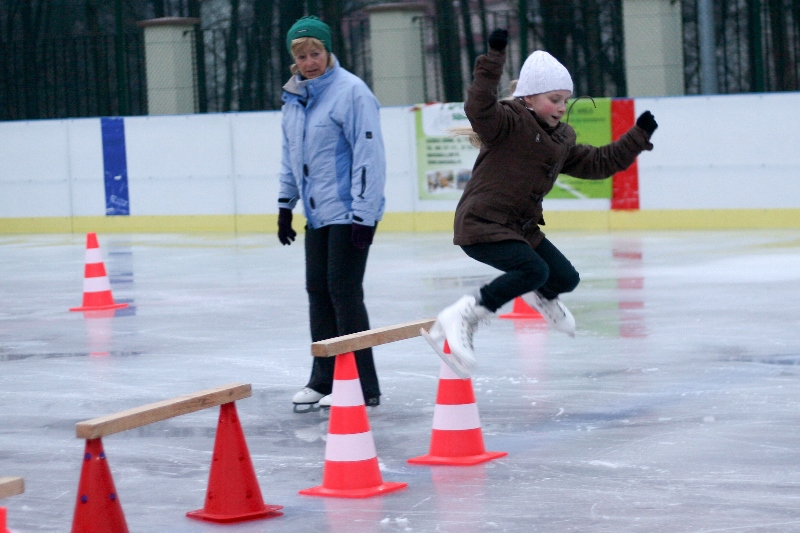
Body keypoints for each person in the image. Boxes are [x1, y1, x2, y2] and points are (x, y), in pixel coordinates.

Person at [423, 29, 658, 378]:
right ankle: (466, 312)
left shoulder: (559, 140)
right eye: (554, 99)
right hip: (482, 224)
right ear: (529, 98)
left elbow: (599, 162)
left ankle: (541, 296)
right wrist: (493, 60)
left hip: (520, 228)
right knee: (534, 271)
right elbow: (478, 105)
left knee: (565, 278)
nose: (562, 107)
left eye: (565, 100)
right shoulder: (506, 123)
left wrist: (637, 137)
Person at [277, 16, 386, 409]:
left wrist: (364, 214)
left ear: (327, 51)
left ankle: (361, 385)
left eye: (316, 53)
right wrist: (285, 205)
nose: (310, 62)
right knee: (318, 292)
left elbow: (369, 156)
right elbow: (290, 156)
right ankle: (324, 379)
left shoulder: (352, 92)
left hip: (350, 211)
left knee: (343, 292)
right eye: (302, 56)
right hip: (317, 213)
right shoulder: (294, 98)